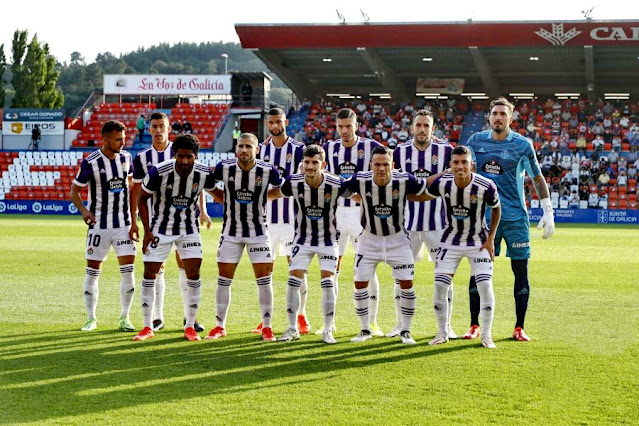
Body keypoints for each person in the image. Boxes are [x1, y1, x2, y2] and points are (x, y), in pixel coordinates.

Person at [463, 97, 555, 342]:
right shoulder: (475, 141)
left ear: (510, 119)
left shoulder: (523, 145)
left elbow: (537, 177)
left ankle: (519, 327)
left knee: (520, 271)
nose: (498, 117)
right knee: (478, 272)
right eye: (495, 113)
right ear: (489, 117)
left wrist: (548, 210)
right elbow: (464, 173)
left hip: (515, 218)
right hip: (482, 218)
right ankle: (474, 325)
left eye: (503, 114)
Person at [343, 145, 434, 344]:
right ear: (371, 165)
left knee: (407, 284)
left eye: (385, 164)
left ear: (392, 165)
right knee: (359, 284)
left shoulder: (404, 180)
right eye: (377, 164)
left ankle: (406, 330)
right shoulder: (360, 179)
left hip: (398, 240)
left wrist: (444, 177)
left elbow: (424, 189)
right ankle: (365, 329)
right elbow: (341, 190)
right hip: (368, 239)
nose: (382, 168)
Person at [129, 112, 210, 333]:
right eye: (153, 126)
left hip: (186, 221)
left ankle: (189, 318)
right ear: (149, 129)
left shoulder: (183, 151)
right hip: (158, 222)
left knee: (187, 267)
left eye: (161, 126)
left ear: (168, 128)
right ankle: (156, 318)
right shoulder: (143, 159)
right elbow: (137, 190)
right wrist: (134, 221)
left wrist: (202, 211)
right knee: (157, 269)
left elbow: (199, 183)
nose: (157, 130)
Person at [267, 145, 354, 344]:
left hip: (328, 240)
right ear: (302, 163)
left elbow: (357, 196)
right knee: (293, 281)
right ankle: (291, 328)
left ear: (322, 164)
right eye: (307, 162)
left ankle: (327, 329)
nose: (310, 166)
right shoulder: (294, 182)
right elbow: (275, 193)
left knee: (328, 282)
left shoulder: (335, 183)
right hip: (302, 240)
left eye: (315, 162)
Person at [205, 133, 283, 342]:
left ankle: (267, 326)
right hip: (231, 232)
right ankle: (220, 325)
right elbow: (209, 183)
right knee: (223, 279)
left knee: (264, 280)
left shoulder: (268, 171)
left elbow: (281, 189)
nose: (244, 150)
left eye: (249, 146)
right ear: (236, 148)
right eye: (241, 146)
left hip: (258, 233)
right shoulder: (225, 167)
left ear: (256, 149)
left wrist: (263, 198)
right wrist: (222, 199)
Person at [425, 145, 501, 348]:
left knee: (485, 286)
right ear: (450, 165)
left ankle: (486, 335)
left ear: (471, 165)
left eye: (464, 162)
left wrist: (491, 237)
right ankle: (442, 333)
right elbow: (423, 190)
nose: (460, 166)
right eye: (456, 162)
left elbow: (496, 208)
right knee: (440, 285)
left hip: (478, 241)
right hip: (450, 240)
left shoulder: (486, 185)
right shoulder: (443, 183)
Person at [392, 109, 456, 338]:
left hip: (438, 224)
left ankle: (446, 326)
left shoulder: (446, 150)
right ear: (412, 127)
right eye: (418, 125)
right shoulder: (400, 151)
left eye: (426, 126)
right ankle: (400, 324)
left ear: (433, 128)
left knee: (445, 274)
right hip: (406, 225)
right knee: (401, 275)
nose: (421, 129)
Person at [322, 108, 384, 336]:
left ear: (357, 125)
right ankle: (329, 324)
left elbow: (390, 162)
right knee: (332, 269)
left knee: (367, 269)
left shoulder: (370, 147)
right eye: (340, 127)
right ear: (336, 127)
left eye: (349, 126)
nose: (345, 131)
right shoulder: (328, 148)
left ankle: (372, 322)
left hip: (362, 216)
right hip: (336, 216)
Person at [70, 120, 136, 332]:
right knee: (92, 271)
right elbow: (74, 191)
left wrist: (134, 221)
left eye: (124, 140)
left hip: (123, 224)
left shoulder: (127, 158)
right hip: (99, 225)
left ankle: (125, 318)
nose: (122, 144)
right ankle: (91, 319)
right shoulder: (91, 162)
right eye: (118, 140)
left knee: (128, 272)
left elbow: (132, 187)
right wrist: (84, 210)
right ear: (105, 139)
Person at [254, 108, 307, 334]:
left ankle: (302, 316)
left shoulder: (298, 149)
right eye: (272, 123)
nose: (276, 126)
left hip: (292, 221)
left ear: (286, 122)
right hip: (266, 221)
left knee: (296, 268)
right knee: (266, 270)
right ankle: (266, 319)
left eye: (279, 122)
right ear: (268, 124)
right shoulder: (262, 150)